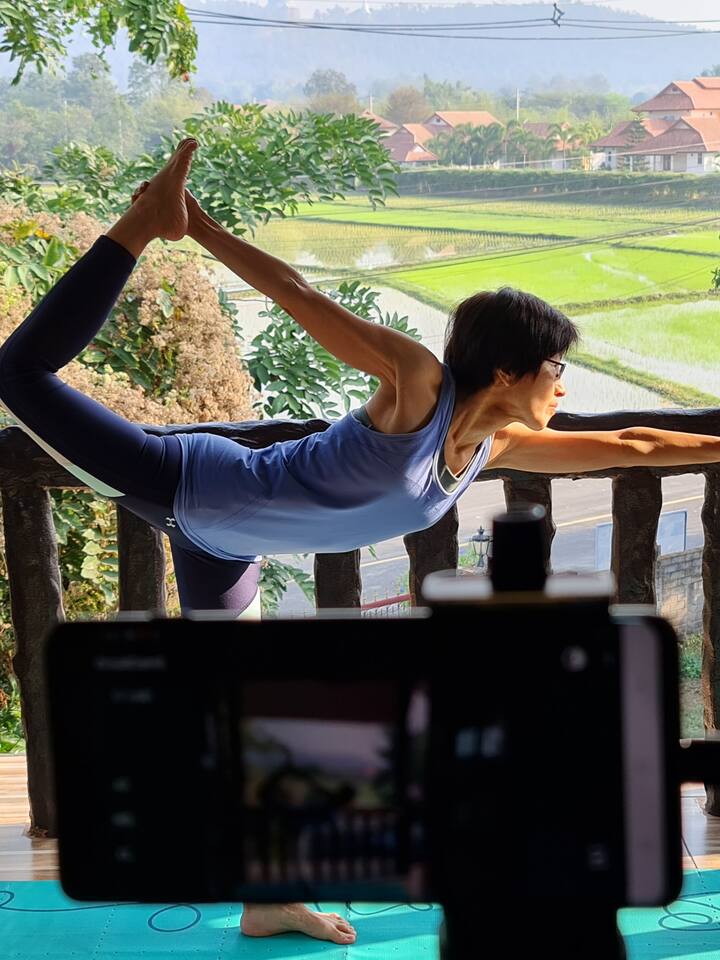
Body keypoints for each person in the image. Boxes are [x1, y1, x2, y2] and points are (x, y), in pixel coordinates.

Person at [0, 138, 718, 943]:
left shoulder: (495, 446)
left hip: (224, 549)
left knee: (261, 723)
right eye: (557, 365)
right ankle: (142, 225)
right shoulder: (418, 386)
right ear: (509, 370)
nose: (565, 382)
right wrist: (195, 228)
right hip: (182, 481)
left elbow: (636, 445)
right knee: (19, 375)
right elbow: (298, 294)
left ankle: (270, 899)